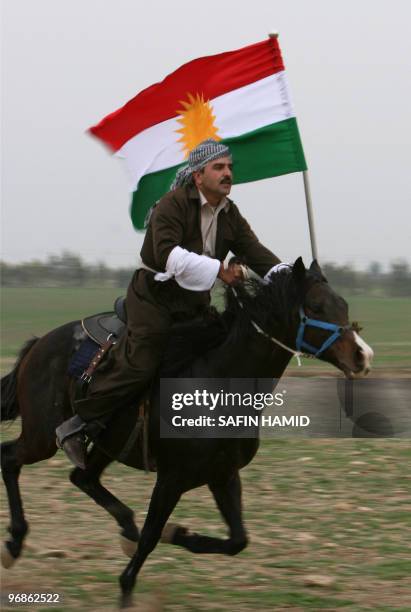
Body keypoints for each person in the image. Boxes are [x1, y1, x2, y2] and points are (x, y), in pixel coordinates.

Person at [56, 139, 287, 468]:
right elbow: (169, 257)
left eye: (230, 168)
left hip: (193, 303)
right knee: (144, 360)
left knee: (219, 352)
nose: (227, 174)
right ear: (198, 176)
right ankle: (79, 423)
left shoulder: (229, 213)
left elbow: (255, 250)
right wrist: (220, 270)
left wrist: (290, 278)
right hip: (153, 299)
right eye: (218, 168)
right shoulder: (172, 205)